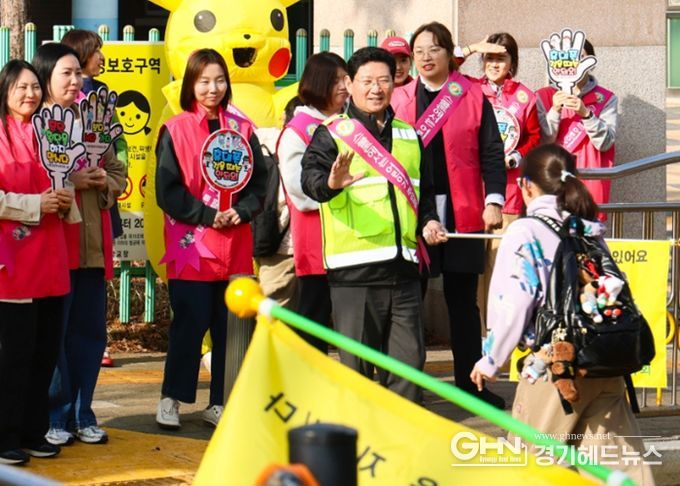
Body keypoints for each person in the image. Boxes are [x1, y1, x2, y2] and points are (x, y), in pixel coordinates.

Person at [470, 144, 654, 485]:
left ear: (526, 186)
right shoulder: (587, 229)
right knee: (619, 469)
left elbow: (514, 301)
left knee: (530, 470)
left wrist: (491, 359)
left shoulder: (526, 231)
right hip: (603, 361)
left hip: (554, 367)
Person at [301, 46, 446, 401]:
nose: (376, 89)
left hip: (405, 271)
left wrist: (429, 221)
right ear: (349, 84)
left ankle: (400, 434)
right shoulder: (332, 133)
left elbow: (425, 192)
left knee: (409, 370)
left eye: (384, 80)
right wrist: (331, 183)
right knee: (357, 377)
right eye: (367, 81)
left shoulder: (410, 135)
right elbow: (310, 182)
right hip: (356, 275)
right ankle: (361, 435)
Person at [390, 21, 506, 408]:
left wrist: (494, 199)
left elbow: (491, 151)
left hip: (463, 209)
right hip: (413, 212)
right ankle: (406, 387)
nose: (426, 57)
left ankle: (471, 386)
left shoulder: (470, 94)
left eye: (434, 49)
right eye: (419, 51)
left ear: (449, 52)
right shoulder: (399, 98)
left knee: (463, 302)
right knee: (410, 300)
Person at [154, 48, 266, 429]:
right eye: (203, 81)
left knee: (230, 329)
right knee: (189, 324)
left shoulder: (243, 130)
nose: (212, 88)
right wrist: (206, 215)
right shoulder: (175, 129)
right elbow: (167, 191)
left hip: (235, 248)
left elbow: (261, 183)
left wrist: (243, 210)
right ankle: (171, 398)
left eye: (219, 80)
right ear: (190, 84)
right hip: (193, 248)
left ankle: (222, 401)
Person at [34, 43, 127, 446]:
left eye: (78, 73)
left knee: (90, 335)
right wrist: (70, 180)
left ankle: (81, 412)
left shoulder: (94, 118)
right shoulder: (36, 126)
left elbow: (118, 170)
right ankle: (53, 416)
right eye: (66, 74)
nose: (76, 81)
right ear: (45, 78)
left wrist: (104, 182)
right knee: (54, 336)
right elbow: (29, 177)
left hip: (93, 247)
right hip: (54, 248)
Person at [0, 60, 77, 465]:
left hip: (50, 257)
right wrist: (35, 205)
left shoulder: (50, 131)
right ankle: (4, 436)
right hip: (11, 264)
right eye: (21, 87)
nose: (30, 94)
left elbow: (64, 182)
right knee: (12, 356)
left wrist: (65, 200)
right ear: (5, 91)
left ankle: (33, 430)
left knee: (45, 352)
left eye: (34, 86)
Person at [61, 28, 128, 369]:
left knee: (92, 284)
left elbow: (116, 148)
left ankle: (98, 343)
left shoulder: (103, 96)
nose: (101, 57)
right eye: (96, 50)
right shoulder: (50, 111)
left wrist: (109, 179)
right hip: (65, 218)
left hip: (99, 208)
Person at [466, 32, 541, 325]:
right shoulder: (469, 90)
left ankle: (499, 331)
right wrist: (473, 47)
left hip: (508, 196)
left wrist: (519, 155)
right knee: (471, 269)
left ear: (513, 61)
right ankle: (477, 332)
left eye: (501, 58)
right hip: (472, 192)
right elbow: (445, 66)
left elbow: (535, 137)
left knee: (502, 266)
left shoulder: (525, 97)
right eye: (489, 57)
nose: (494, 64)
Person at [278, 52, 348, 352]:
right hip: (316, 240)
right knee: (315, 318)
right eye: (336, 81)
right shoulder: (298, 130)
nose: (345, 86)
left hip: (348, 241)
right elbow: (299, 193)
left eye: (346, 79)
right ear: (319, 85)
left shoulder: (347, 123)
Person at [536, 40, 617, 206]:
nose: (573, 62)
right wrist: (555, 110)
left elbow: (606, 143)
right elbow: (542, 142)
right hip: (553, 181)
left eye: (580, 56)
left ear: (591, 61)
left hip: (591, 182)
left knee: (589, 221)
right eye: (568, 56)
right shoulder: (542, 96)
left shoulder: (606, 98)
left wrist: (586, 115)